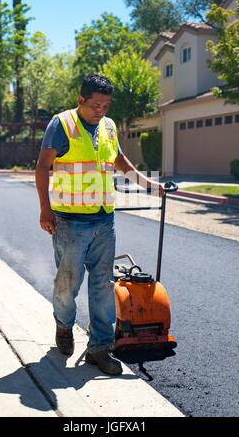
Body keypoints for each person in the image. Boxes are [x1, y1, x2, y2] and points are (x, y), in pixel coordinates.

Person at [35, 74, 163, 376]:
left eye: (105, 105)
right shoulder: (62, 124)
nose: (100, 111)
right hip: (70, 223)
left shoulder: (108, 126)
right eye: (95, 105)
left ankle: (99, 349)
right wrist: (45, 209)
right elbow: (42, 166)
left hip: (105, 220)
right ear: (81, 100)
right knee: (67, 286)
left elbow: (118, 158)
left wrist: (147, 183)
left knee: (103, 286)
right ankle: (64, 327)